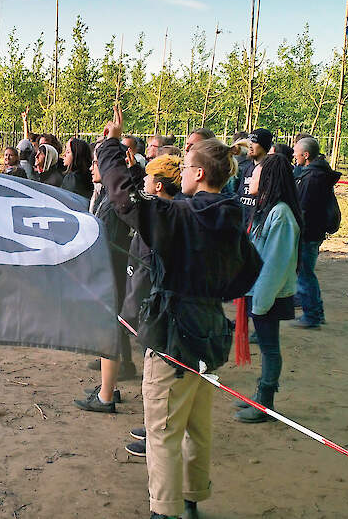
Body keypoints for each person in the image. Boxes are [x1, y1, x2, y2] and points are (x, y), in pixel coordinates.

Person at [97, 104, 260, 519]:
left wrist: (112, 145)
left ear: (200, 174)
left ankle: (165, 511)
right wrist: (213, 292)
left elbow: (122, 197)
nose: (181, 173)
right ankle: (190, 498)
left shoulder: (180, 215)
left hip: (174, 335)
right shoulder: (229, 215)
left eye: (186, 166)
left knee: (164, 429)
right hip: (208, 329)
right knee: (195, 424)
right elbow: (251, 268)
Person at [75, 154, 183, 414]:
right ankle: (108, 389)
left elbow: (140, 262)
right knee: (120, 336)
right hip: (128, 281)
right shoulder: (158, 211)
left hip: (129, 285)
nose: (91, 169)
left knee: (144, 351)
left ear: (158, 185)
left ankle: (119, 400)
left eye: (147, 176)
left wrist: (131, 306)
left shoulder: (156, 215)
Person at [235, 153, 302, 423]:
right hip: (258, 291)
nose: (251, 176)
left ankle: (266, 402)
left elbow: (275, 263)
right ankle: (261, 395)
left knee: (269, 348)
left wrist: (260, 303)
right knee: (266, 346)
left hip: (268, 294)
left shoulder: (281, 214)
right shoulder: (267, 208)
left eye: (257, 173)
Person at [290, 137, 339, 329]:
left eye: (296, 152)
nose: (294, 155)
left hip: (308, 233)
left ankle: (313, 315)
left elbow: (305, 208)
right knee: (305, 272)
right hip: (312, 232)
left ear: (306, 155)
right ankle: (314, 311)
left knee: (305, 273)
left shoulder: (312, 178)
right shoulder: (314, 174)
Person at [239, 128, 273, 224]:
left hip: (259, 224)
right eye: (250, 141)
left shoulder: (271, 169)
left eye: (254, 142)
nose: (250, 145)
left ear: (264, 146)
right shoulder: (246, 168)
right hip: (243, 222)